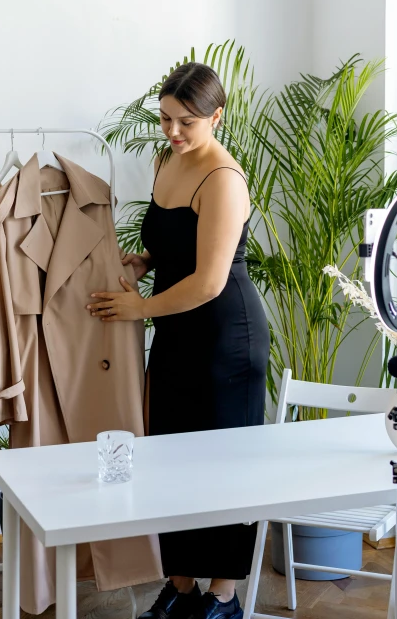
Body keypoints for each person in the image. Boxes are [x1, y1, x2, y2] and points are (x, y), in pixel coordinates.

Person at [87, 62, 270, 619]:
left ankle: (224, 595)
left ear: (217, 116)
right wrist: (141, 262)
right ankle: (181, 585)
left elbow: (210, 280)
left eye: (186, 122)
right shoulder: (169, 159)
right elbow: (172, 245)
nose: (171, 131)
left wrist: (140, 307)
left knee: (222, 467)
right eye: (165, 118)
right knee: (169, 458)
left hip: (224, 337)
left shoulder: (223, 179)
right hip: (176, 328)